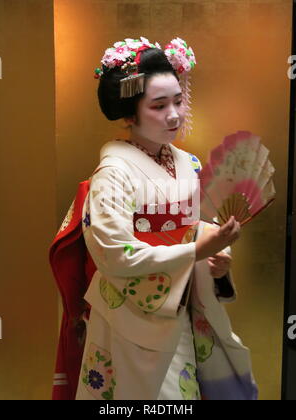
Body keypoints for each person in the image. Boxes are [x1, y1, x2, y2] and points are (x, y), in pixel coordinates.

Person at [57, 37, 257, 400]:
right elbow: (115, 255)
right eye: (159, 105)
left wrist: (216, 259)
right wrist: (195, 250)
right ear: (130, 112)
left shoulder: (187, 164)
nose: (174, 115)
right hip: (126, 318)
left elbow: (193, 232)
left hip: (179, 312)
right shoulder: (113, 174)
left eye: (179, 101)